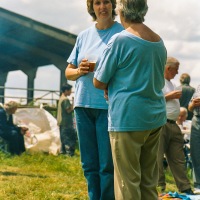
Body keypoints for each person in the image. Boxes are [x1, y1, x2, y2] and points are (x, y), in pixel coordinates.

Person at [93, 0, 167, 199]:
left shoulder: (120, 40)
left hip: (128, 118)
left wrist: (111, 84)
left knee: (127, 182)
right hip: (155, 117)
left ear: (121, 10)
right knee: (148, 182)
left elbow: (99, 81)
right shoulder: (158, 40)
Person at [65, 0, 123, 199]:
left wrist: (104, 68)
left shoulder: (122, 33)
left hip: (107, 106)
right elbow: (68, 72)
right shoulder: (83, 36)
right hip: (82, 105)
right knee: (89, 164)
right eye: (97, 3)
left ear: (113, 5)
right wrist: (79, 71)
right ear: (92, 7)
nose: (102, 6)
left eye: (106, 1)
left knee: (106, 165)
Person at [157, 57, 193, 194]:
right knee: (158, 157)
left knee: (178, 158)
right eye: (176, 69)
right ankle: (159, 188)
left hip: (173, 124)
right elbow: (152, 100)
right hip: (161, 123)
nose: (177, 73)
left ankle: (185, 187)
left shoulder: (170, 83)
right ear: (168, 68)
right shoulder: (158, 81)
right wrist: (169, 96)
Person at [57, 83, 76, 156]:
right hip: (66, 122)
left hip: (61, 122)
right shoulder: (65, 99)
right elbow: (68, 110)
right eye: (70, 90)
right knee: (68, 138)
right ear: (66, 90)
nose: (71, 92)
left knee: (63, 137)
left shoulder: (61, 98)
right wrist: (73, 103)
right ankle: (70, 153)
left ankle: (63, 151)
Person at [188, 84, 200, 193]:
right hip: (196, 120)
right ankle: (198, 185)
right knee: (195, 153)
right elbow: (189, 108)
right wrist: (193, 104)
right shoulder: (198, 87)